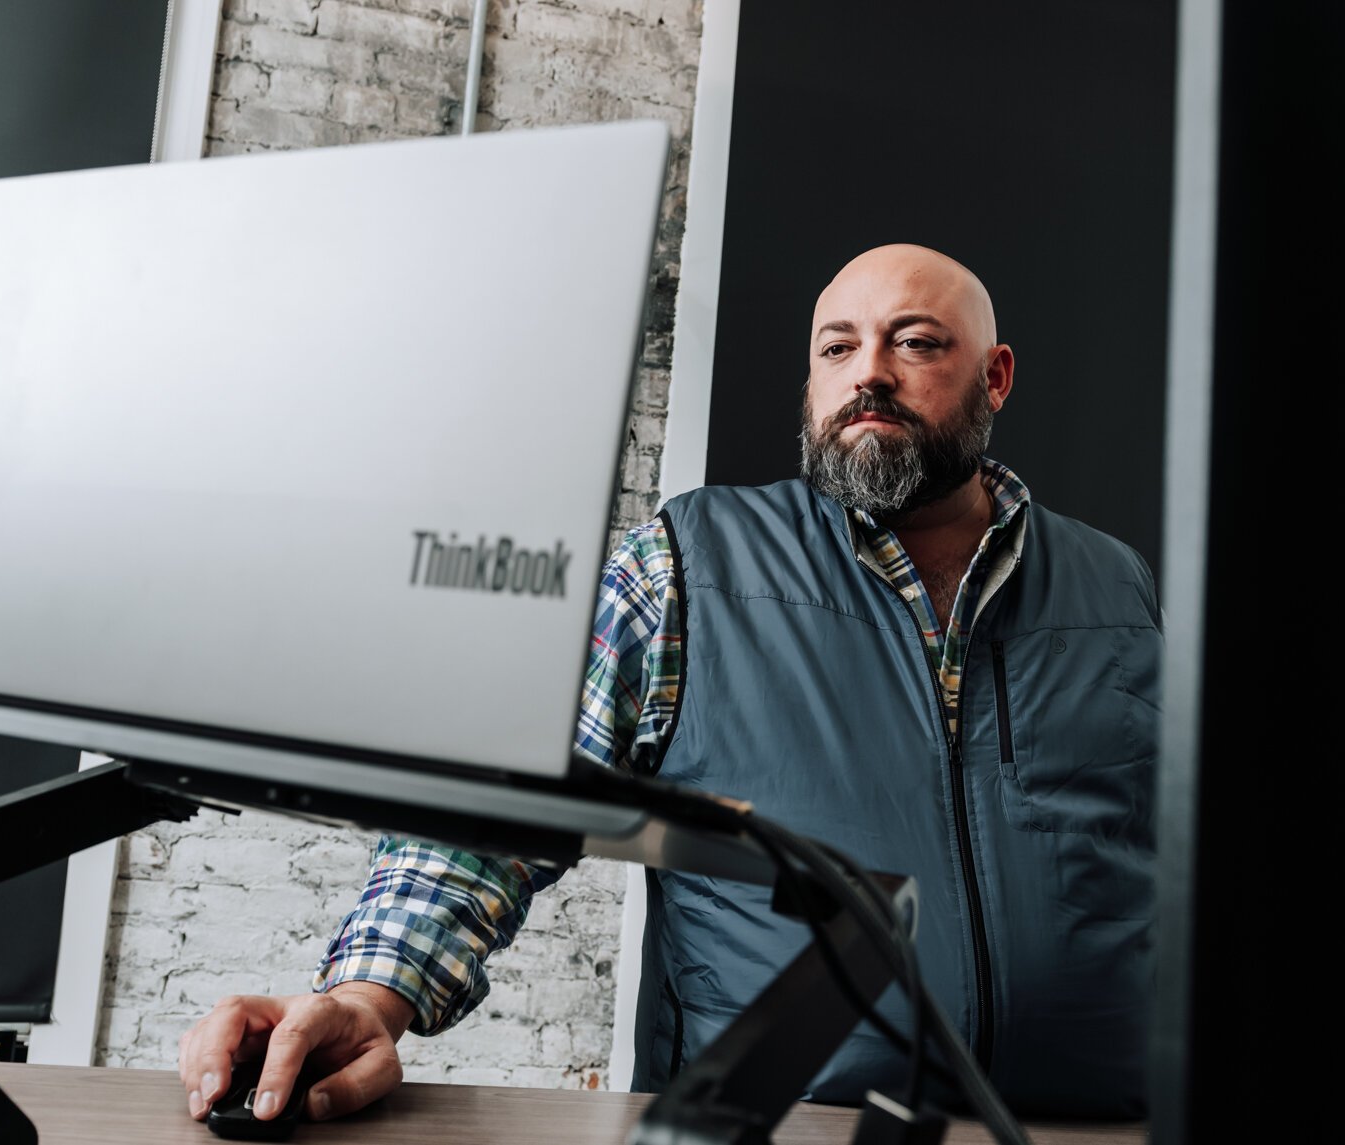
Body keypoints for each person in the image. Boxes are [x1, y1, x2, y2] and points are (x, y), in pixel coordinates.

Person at [178, 243, 1162, 1125]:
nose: (868, 372)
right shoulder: (686, 564)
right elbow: (501, 811)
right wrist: (369, 992)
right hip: (782, 1125)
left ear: (994, 376)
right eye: (836, 347)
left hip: (1094, 1127)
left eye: (913, 342)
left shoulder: (1119, 586)